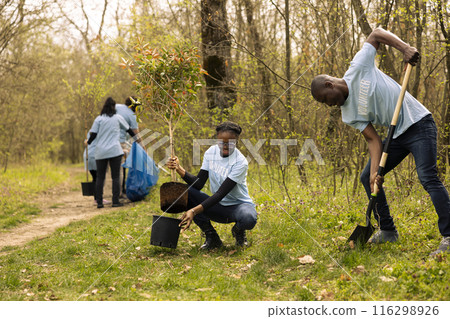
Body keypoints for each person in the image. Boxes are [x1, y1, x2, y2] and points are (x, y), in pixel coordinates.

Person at [311, 27, 450, 257]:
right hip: (397, 135)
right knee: (368, 177)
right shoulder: (348, 114)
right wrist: (376, 172)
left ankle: (448, 235)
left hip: (419, 123)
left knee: (427, 177)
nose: (329, 106)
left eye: (326, 100)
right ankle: (387, 230)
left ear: (329, 84)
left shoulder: (358, 67)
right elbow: (373, 140)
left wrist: (404, 48)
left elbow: (375, 33)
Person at [166, 121, 257, 250]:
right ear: (217, 140)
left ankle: (239, 231)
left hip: (237, 207)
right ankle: (212, 237)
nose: (225, 146)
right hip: (216, 207)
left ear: (236, 141)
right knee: (185, 192)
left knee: (248, 218)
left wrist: (193, 210)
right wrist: (179, 169)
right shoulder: (211, 152)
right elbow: (199, 184)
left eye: (230, 143)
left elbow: (220, 193)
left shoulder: (240, 162)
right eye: (221, 142)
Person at [86, 97, 136, 208]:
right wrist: (136, 140)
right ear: (114, 107)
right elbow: (129, 130)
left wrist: (88, 143)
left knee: (100, 177)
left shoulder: (98, 119)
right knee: (116, 177)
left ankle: (99, 202)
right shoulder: (118, 118)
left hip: (101, 152)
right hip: (115, 151)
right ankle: (115, 201)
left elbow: (93, 134)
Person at [115, 97, 140, 196]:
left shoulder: (116, 106)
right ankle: (120, 192)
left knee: (115, 168)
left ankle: (118, 190)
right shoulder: (132, 115)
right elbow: (136, 134)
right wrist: (143, 148)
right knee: (122, 167)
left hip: (108, 141)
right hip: (121, 143)